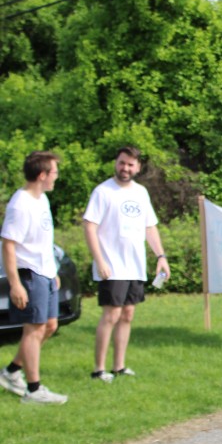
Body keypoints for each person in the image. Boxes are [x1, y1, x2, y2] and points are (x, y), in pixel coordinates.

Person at [82, 146, 170, 382]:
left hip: (135, 265)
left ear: (138, 167)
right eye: (122, 163)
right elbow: (89, 226)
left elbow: (149, 227)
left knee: (128, 314)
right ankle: (99, 370)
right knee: (111, 315)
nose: (125, 168)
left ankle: (119, 367)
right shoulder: (103, 192)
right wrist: (99, 260)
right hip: (111, 265)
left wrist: (161, 257)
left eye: (130, 164)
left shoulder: (141, 192)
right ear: (116, 163)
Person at [0, 151, 68, 404]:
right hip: (29, 274)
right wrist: (15, 284)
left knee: (49, 326)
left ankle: (11, 372)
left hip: (45, 273)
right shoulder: (21, 205)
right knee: (34, 329)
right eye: (54, 172)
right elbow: (8, 245)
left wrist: (53, 271)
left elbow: (44, 240)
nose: (56, 177)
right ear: (42, 175)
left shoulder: (42, 199)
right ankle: (33, 390)